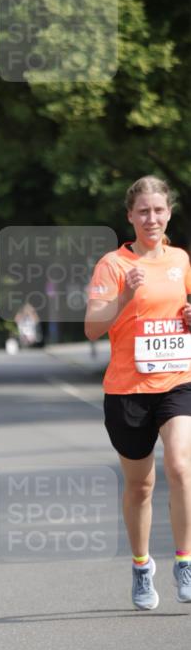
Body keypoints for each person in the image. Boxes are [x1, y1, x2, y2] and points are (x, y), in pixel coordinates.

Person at [85, 175, 191, 609]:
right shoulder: (113, 265)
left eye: (159, 210)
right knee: (140, 486)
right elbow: (93, 327)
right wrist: (125, 297)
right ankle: (142, 566)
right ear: (130, 216)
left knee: (181, 466)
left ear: (169, 213)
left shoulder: (181, 259)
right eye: (143, 211)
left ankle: (184, 561)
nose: (152, 218)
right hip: (127, 389)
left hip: (176, 379)